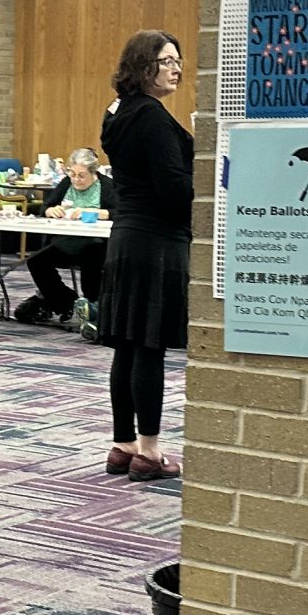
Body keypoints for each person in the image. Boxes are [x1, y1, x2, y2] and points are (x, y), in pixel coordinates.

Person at [100, 32, 192, 483]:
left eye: (178, 61)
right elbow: (174, 190)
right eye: (167, 61)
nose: (176, 69)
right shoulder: (153, 117)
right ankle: (151, 453)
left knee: (127, 345)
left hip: (126, 237)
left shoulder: (117, 111)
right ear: (143, 65)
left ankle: (123, 444)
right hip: (157, 241)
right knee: (148, 346)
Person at [14, 149, 106, 328]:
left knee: (93, 256)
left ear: (93, 172)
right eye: (72, 174)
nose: (76, 179)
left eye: (82, 175)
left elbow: (118, 213)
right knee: (35, 260)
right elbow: (45, 207)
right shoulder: (66, 183)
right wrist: (51, 211)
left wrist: (94, 212)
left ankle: (93, 306)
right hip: (64, 243)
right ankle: (66, 302)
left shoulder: (106, 186)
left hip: (94, 244)